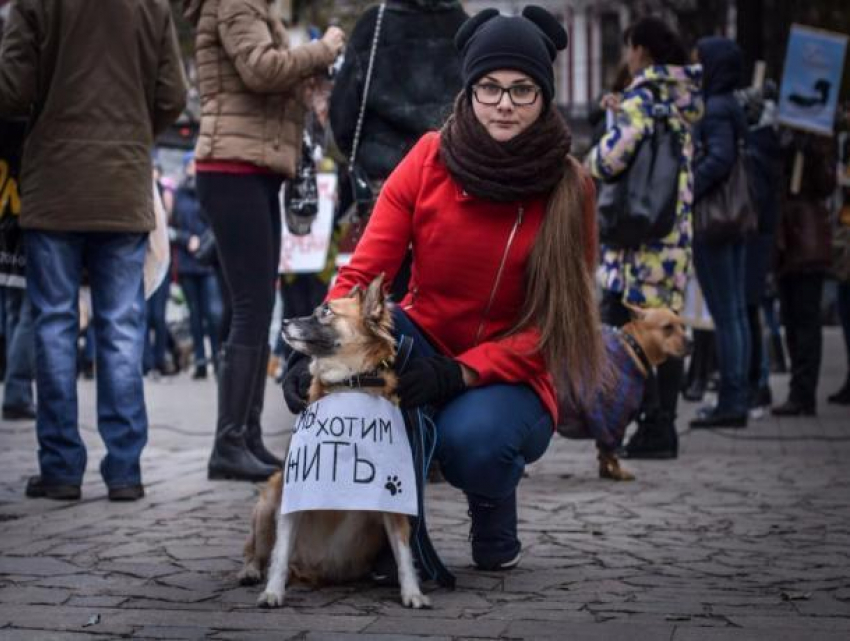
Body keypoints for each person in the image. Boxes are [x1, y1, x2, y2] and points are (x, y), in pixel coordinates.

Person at [285, 6, 602, 571]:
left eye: (522, 89)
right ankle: (376, 531)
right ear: (471, 89)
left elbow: (556, 328)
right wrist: (317, 345)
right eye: (489, 88)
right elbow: (365, 274)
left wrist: (459, 373)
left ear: (544, 95)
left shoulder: (569, 188)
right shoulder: (429, 156)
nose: (504, 103)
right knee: (359, 358)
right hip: (425, 336)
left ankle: (492, 496)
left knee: (471, 443)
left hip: (514, 370)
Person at [0, 0, 187, 501]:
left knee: (55, 326)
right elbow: (173, 93)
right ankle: (125, 469)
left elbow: (12, 91)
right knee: (122, 326)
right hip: (123, 183)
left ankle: (60, 468)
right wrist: (132, 129)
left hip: (54, 183)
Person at [183, 0, 345, 482]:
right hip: (233, 167)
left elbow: (260, 80)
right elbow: (260, 69)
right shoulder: (236, 1)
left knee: (254, 303)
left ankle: (245, 436)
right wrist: (322, 50)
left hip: (249, 166)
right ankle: (230, 442)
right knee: (251, 307)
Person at [589, 17, 702, 458]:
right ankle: (664, 425)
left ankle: (649, 420)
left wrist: (602, 141)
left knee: (628, 326)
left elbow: (611, 160)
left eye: (628, 48)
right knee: (669, 328)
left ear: (641, 50)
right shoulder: (683, 100)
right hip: (672, 233)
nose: (626, 57)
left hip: (639, 238)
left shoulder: (642, 96)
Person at [329, 0, 468, 300]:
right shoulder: (464, 26)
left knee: (379, 292)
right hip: (449, 180)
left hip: (385, 181)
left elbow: (342, 114)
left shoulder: (375, 25)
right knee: (441, 293)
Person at [689, 37, 751, 429]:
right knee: (736, 312)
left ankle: (732, 400)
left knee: (727, 313)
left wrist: (687, 187)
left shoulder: (714, 109)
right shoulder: (732, 105)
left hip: (715, 221)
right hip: (736, 218)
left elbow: (719, 158)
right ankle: (736, 395)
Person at [772, 131, 837, 416]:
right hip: (787, 241)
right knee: (791, 318)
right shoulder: (782, 137)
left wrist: (811, 151)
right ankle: (799, 389)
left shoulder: (818, 140)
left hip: (807, 240)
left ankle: (804, 391)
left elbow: (826, 183)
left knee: (805, 319)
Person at [172, 154, 222, 380]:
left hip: (208, 260)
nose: (193, 167)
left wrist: (202, 242)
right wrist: (186, 239)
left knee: (214, 313)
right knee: (194, 314)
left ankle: (218, 358)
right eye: (189, 164)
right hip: (186, 262)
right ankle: (200, 361)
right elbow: (171, 227)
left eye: (195, 163)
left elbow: (216, 221)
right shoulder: (177, 194)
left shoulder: (208, 189)